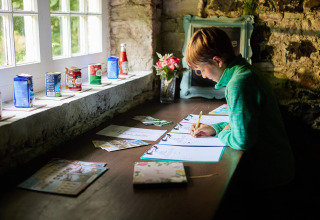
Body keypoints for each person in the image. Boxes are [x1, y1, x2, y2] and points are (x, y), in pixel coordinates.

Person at [186, 27, 295, 191]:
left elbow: (242, 140)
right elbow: (243, 123)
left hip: (269, 174)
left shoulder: (238, 84)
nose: (202, 75)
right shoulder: (245, 72)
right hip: (278, 165)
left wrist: (222, 133)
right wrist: (215, 128)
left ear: (217, 61)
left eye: (201, 69)